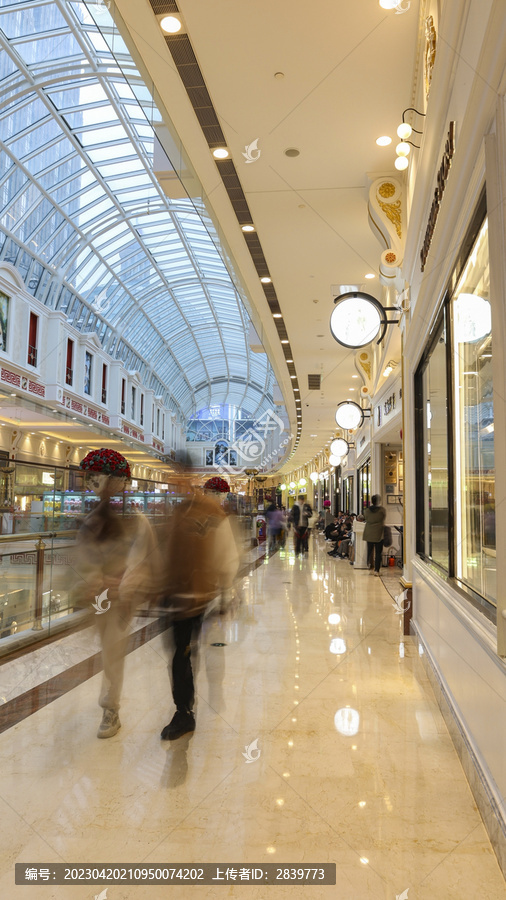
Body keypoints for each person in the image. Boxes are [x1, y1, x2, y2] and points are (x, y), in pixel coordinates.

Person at [73, 448, 158, 738]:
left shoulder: (136, 520)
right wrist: (93, 579)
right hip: (100, 598)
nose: (92, 483)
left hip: (122, 598)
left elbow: (144, 556)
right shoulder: (94, 519)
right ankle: (109, 699)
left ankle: (111, 709)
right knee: (107, 645)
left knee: (112, 648)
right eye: (91, 478)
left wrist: (124, 583)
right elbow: (84, 555)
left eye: (97, 477)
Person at [160, 490, 239, 741]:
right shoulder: (180, 510)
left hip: (198, 594)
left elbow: (226, 554)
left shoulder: (208, 512)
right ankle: (185, 707)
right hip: (180, 595)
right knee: (182, 652)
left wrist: (226, 593)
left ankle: (185, 710)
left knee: (186, 651)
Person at [362, 494, 386, 576]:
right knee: (378, 552)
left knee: (370, 550)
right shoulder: (382, 510)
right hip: (379, 533)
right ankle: (377, 570)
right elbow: (383, 518)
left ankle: (369, 565)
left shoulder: (367, 511)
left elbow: (365, 518)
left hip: (369, 532)